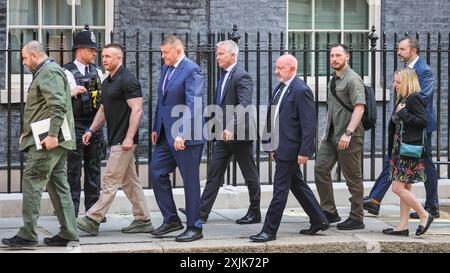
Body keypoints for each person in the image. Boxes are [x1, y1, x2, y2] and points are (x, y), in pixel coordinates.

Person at [2, 41, 79, 247]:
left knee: (32, 180)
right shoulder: (48, 71)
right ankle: (69, 232)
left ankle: (27, 234)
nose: (24, 63)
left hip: (48, 141)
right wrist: (27, 133)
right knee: (58, 184)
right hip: (48, 138)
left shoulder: (49, 72)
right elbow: (44, 107)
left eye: (25, 58)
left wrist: (53, 135)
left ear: (35, 55)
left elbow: (58, 105)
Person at [179, 40, 261, 224]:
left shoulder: (242, 76)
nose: (217, 57)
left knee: (250, 174)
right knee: (215, 172)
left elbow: (244, 104)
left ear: (233, 55)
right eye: (217, 54)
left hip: (239, 134)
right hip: (224, 134)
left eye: (221, 54)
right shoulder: (224, 75)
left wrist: (231, 127)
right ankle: (201, 212)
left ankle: (255, 212)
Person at [76, 43, 153, 236]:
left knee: (110, 179)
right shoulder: (107, 82)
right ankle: (143, 219)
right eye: (103, 57)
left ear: (119, 59)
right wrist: (91, 130)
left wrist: (129, 138)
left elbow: (137, 109)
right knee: (130, 182)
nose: (104, 60)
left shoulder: (128, 80)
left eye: (109, 56)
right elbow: (103, 110)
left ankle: (93, 218)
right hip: (115, 137)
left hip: (124, 140)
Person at [250, 54, 328, 242]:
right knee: (297, 185)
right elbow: (272, 116)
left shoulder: (301, 90)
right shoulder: (280, 87)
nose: (276, 71)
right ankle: (319, 220)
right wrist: (269, 144)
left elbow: (309, 125)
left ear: (292, 69)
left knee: (280, 190)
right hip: (279, 147)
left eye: (280, 68)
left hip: (291, 149)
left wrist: (305, 152)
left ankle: (269, 231)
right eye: (276, 67)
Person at [363, 36, 439, 219]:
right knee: (394, 158)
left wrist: (403, 111)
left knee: (425, 164)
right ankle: (375, 200)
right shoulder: (405, 70)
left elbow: (423, 98)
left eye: (402, 49)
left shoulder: (424, 71)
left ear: (413, 51)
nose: (398, 52)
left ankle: (431, 206)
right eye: (398, 49)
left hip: (419, 128)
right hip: (404, 125)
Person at [149, 36, 205, 242]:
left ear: (178, 51)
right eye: (162, 52)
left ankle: (195, 227)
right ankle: (171, 219)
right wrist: (157, 126)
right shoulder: (166, 69)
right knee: (156, 171)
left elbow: (195, 104)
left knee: (190, 182)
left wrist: (183, 132)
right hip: (166, 135)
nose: (162, 56)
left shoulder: (192, 70)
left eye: (165, 52)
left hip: (187, 137)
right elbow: (161, 100)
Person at [314, 44, 366, 230]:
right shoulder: (333, 79)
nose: (334, 59)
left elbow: (359, 107)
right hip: (331, 136)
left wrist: (348, 133)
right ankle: (329, 210)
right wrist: (324, 133)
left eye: (338, 55)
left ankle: (356, 217)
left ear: (347, 57)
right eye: (331, 56)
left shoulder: (353, 79)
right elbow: (331, 107)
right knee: (320, 168)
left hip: (349, 136)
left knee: (352, 177)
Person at [382, 67, 434, 236]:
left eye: (398, 82)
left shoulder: (414, 98)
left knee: (397, 187)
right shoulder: (403, 98)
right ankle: (402, 226)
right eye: (395, 81)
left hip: (408, 151)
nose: (395, 85)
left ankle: (424, 214)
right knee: (406, 187)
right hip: (400, 151)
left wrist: (403, 113)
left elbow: (423, 121)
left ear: (407, 82)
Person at [63, 25, 105, 220]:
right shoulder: (66, 72)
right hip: (76, 125)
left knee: (94, 168)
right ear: (80, 51)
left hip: (95, 125)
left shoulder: (98, 71)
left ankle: (93, 213)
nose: (95, 53)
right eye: (91, 49)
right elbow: (56, 98)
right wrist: (69, 93)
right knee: (73, 170)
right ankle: (71, 211)